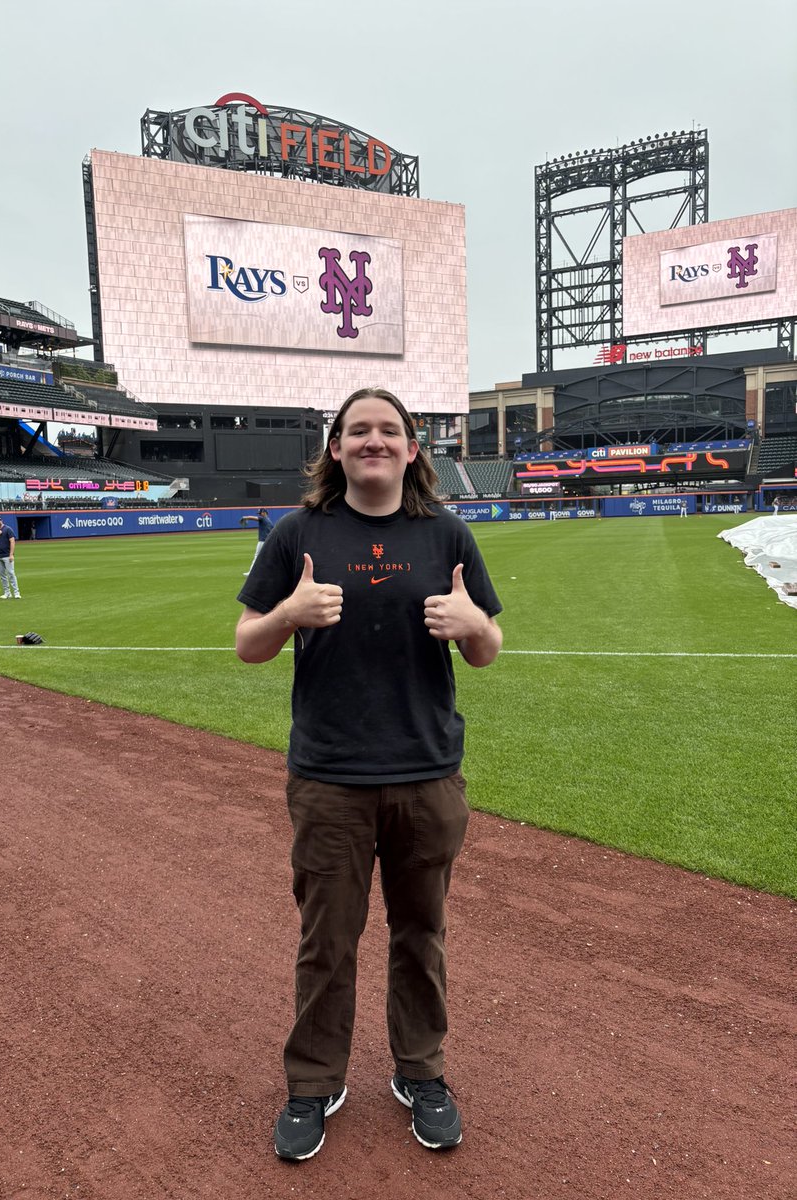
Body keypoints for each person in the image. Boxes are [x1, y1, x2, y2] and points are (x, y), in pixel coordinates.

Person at [236, 387, 503, 1162]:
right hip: (329, 777)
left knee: (421, 935)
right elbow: (248, 643)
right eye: (359, 430)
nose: (374, 440)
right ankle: (314, 1082)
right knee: (328, 939)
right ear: (337, 448)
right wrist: (288, 614)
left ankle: (421, 1072)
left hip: (426, 773)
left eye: (389, 430)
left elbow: (487, 649)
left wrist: (473, 626)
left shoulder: (447, 533)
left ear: (413, 449)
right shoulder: (296, 533)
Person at [0, 515, 21, 598]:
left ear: (1, 520)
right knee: (2, 575)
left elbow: (12, 541)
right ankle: (7, 592)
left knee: (11, 573)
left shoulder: (7, 529)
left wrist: (11, 554)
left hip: (7, 555)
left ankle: (16, 592)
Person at [241, 507, 275, 575]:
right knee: (268, 557)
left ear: (264, 513)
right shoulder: (270, 521)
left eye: (260, 513)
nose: (259, 514)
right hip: (268, 542)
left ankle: (251, 572)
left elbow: (253, 518)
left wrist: (245, 517)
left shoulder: (263, 519)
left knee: (257, 556)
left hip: (262, 541)